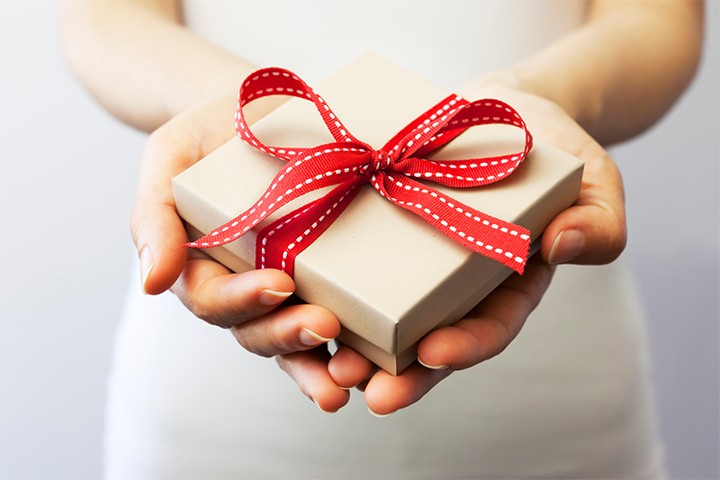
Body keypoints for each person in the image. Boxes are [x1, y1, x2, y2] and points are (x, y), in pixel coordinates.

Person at [61, 1, 704, 478]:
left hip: (562, 408)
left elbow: (660, 20)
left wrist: (541, 94)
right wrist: (221, 98)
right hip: (212, 418)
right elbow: (101, 19)